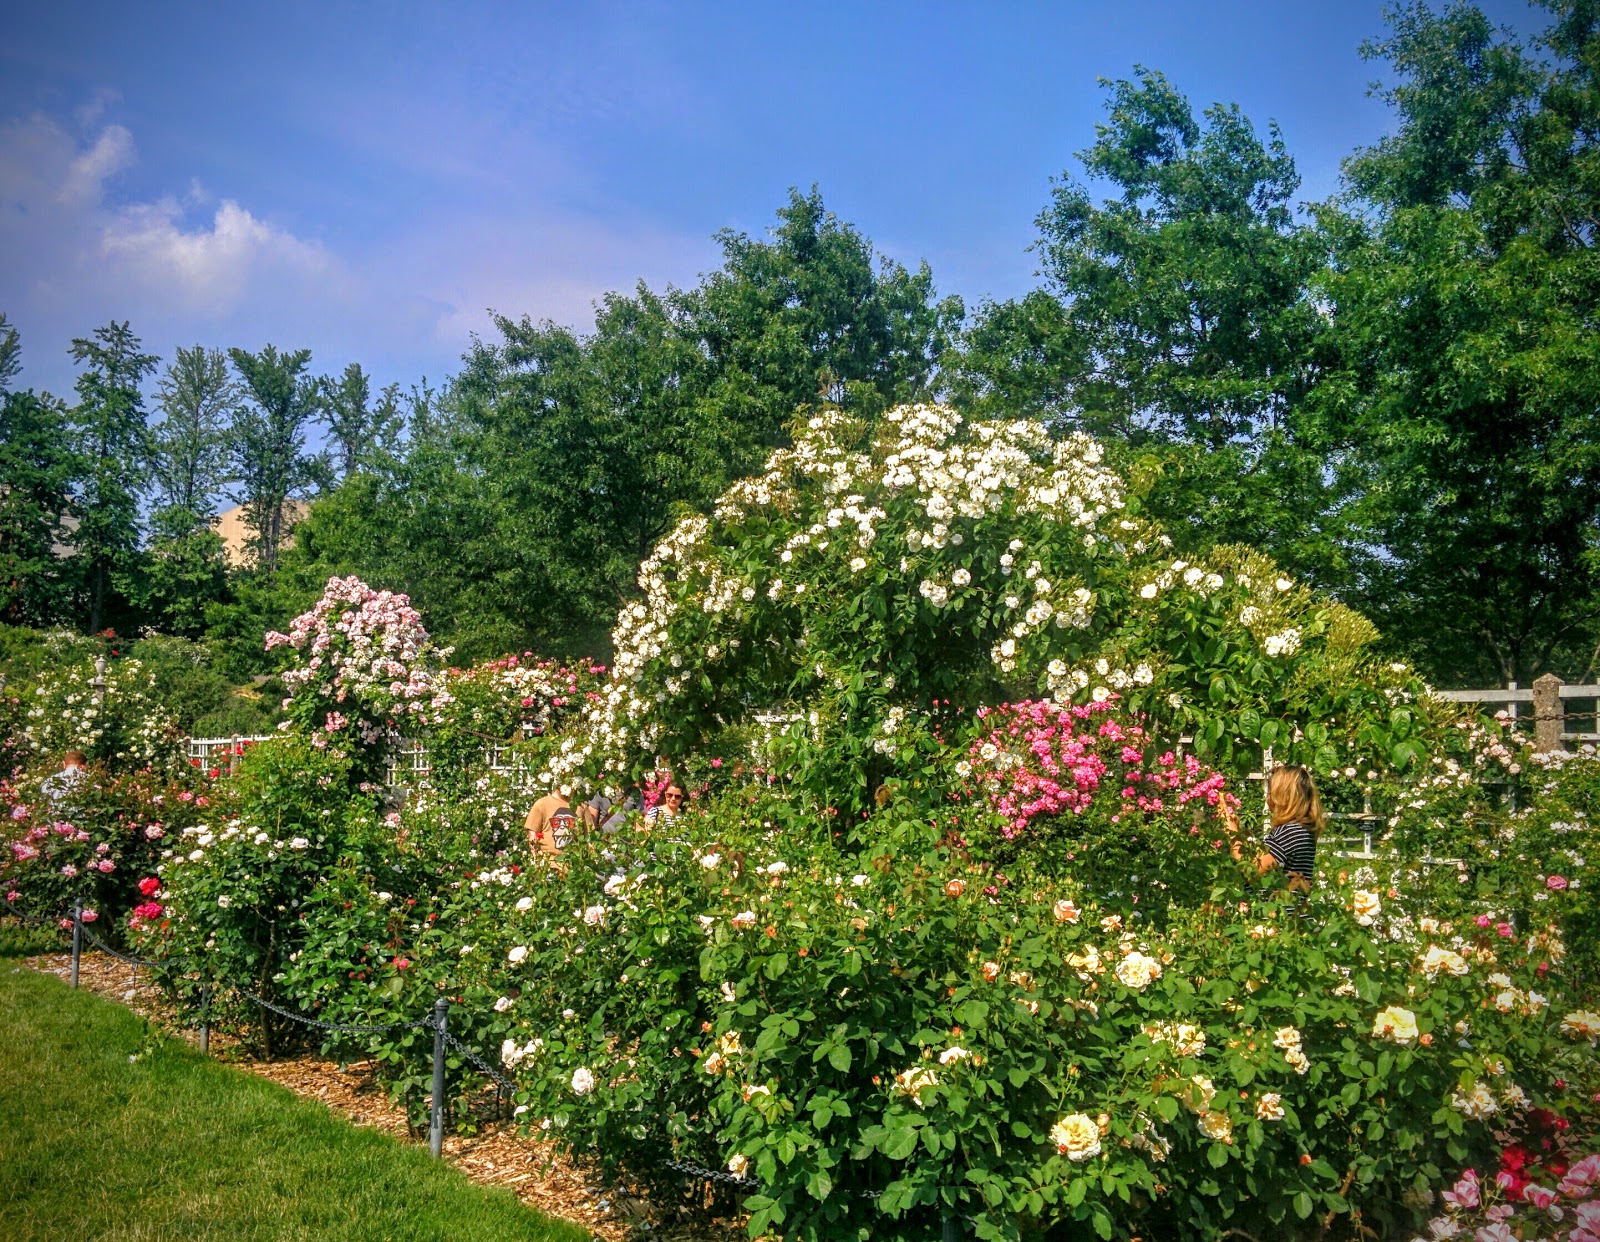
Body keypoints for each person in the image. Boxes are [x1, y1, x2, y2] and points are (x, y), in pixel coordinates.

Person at [1223, 764, 1324, 893]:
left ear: (1284, 797)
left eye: (1271, 792)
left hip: (1280, 911)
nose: (1268, 798)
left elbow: (1251, 870)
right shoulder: (1304, 830)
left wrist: (1233, 835)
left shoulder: (1289, 833)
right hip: (1295, 910)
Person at [524, 784, 572, 856]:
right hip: (549, 862)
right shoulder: (542, 804)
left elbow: (589, 838)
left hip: (575, 864)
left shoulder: (581, 806)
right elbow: (532, 835)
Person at [39, 750, 90, 816]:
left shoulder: (49, 781)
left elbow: (43, 804)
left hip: (56, 821)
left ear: (64, 764)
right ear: (84, 765)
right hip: (83, 821)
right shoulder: (89, 780)